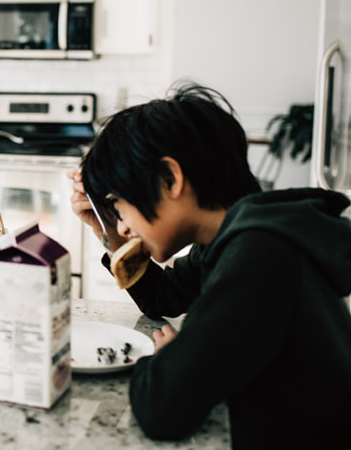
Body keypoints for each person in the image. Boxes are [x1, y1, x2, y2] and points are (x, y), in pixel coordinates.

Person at [68, 82, 351, 448]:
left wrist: (169, 360)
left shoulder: (259, 257)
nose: (122, 225)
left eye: (119, 204)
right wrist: (106, 228)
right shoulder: (241, 231)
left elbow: (162, 408)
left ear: (170, 179)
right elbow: (163, 297)